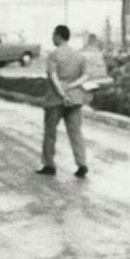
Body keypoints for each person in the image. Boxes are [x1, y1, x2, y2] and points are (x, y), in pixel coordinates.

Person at [36, 24, 90, 178]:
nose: (52, 37)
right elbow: (86, 76)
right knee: (76, 132)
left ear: (59, 35)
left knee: (50, 132)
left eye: (53, 34)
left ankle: (49, 164)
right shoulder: (79, 56)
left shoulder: (54, 55)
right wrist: (73, 85)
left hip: (56, 99)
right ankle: (82, 164)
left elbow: (53, 77)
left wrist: (62, 94)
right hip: (76, 98)